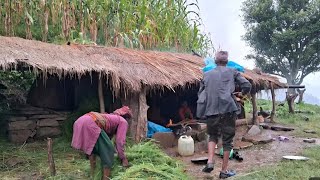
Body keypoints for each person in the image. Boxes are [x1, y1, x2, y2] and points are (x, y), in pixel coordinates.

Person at [199, 51, 251, 179]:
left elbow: (201, 94)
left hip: (211, 111)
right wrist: (240, 95)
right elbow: (247, 85)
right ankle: (224, 171)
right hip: (228, 110)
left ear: (215, 61)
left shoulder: (206, 74)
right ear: (226, 62)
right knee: (227, 141)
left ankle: (210, 162)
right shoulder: (233, 71)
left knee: (212, 136)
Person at [71, 106, 132, 180]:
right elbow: (119, 142)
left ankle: (93, 174)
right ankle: (106, 178)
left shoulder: (110, 117)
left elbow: (105, 139)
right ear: (125, 117)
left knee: (93, 149)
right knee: (109, 150)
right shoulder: (123, 121)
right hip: (90, 123)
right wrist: (123, 158)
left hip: (79, 121)